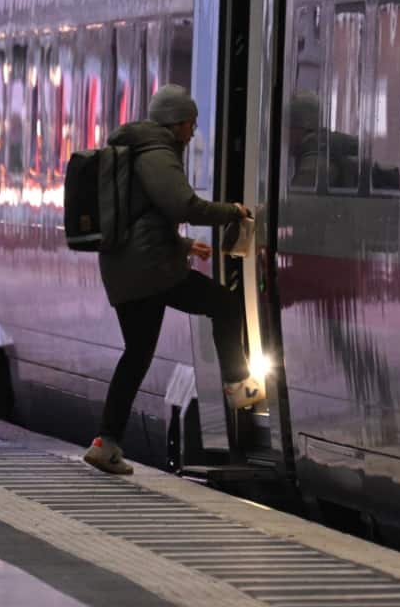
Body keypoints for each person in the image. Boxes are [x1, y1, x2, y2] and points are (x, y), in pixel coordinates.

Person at [83, 85, 265, 475]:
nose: (193, 131)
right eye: (191, 123)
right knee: (223, 303)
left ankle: (105, 442)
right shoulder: (158, 154)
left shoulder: (138, 151)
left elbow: (142, 216)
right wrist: (232, 210)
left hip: (128, 268)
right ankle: (239, 384)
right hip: (151, 273)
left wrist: (183, 245)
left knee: (136, 354)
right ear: (176, 123)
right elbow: (182, 204)